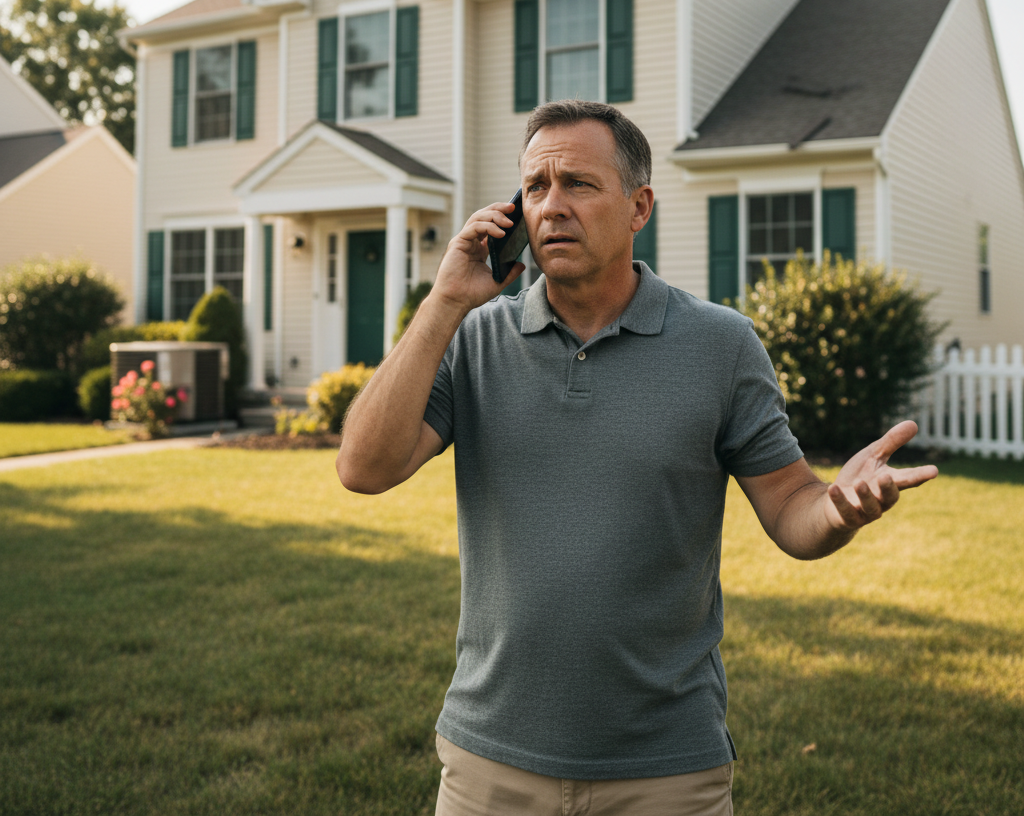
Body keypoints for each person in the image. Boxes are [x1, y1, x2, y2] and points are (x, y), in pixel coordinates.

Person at [336, 100, 937, 816]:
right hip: (489, 758)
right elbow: (364, 469)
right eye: (535, 188)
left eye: (579, 185)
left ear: (639, 206)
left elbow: (790, 508)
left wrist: (838, 510)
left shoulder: (721, 344)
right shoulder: (472, 339)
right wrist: (442, 303)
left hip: (667, 769)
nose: (552, 206)